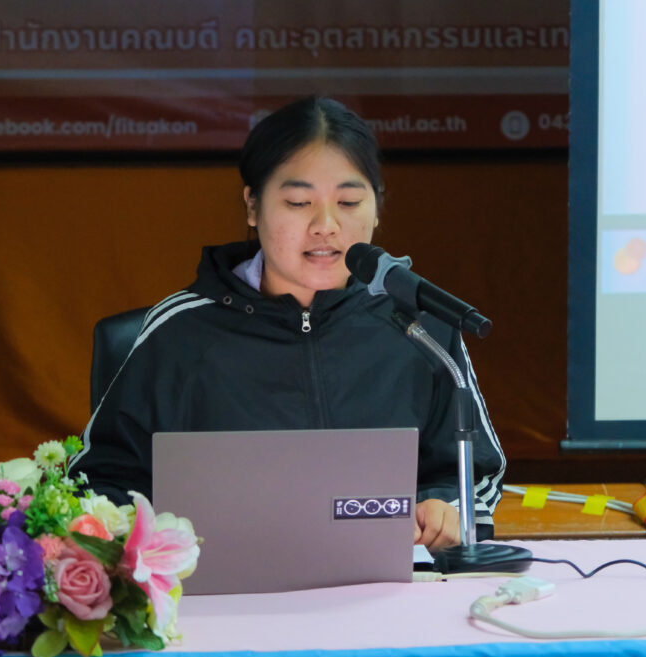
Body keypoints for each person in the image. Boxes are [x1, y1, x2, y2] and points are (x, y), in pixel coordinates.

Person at [69, 96, 505, 551]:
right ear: (253, 206)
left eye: (349, 201)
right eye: (298, 202)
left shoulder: (419, 325)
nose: (326, 225)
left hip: (385, 585)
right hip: (223, 587)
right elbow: (99, 482)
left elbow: (475, 476)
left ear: (377, 207)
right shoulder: (177, 334)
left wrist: (446, 507)